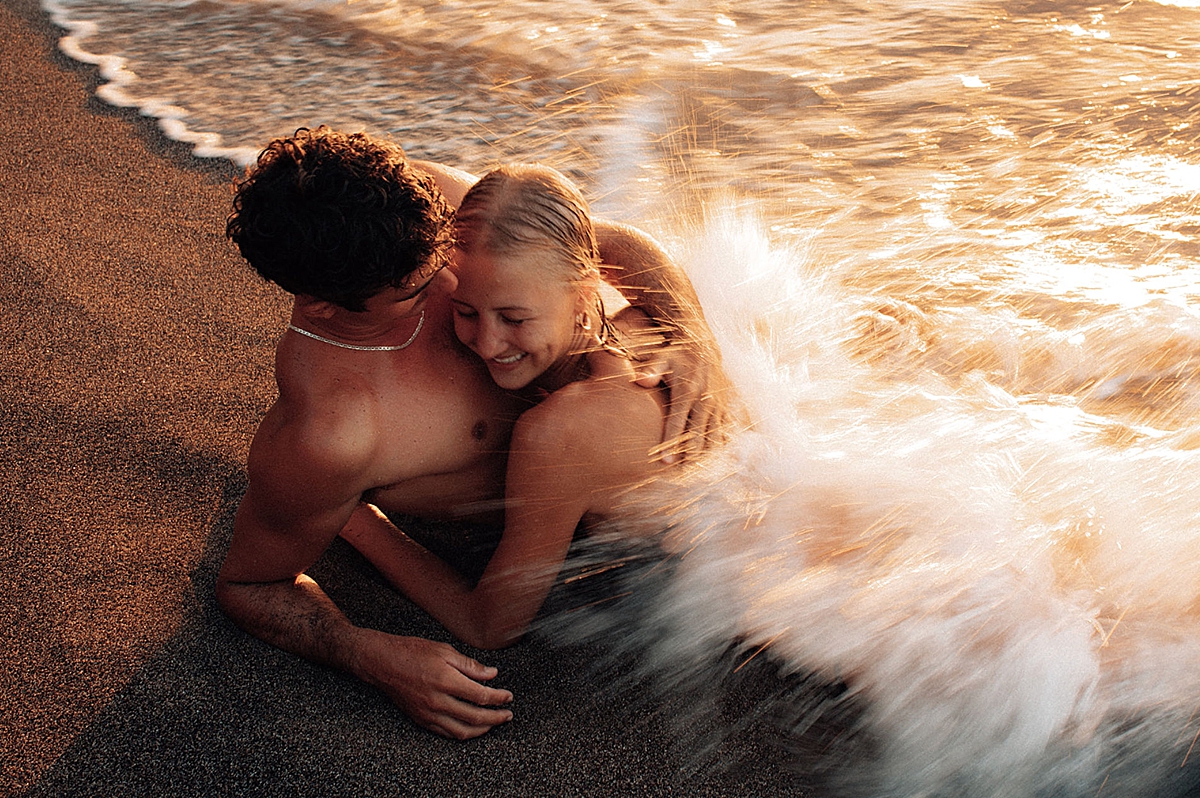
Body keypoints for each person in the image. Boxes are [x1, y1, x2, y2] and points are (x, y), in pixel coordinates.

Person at [215, 127, 722, 741]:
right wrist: (371, 654)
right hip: (579, 515)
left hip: (642, 459)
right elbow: (249, 585)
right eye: (421, 288)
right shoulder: (331, 432)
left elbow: (600, 242)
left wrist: (696, 337)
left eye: (442, 250)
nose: (452, 277)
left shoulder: (417, 212)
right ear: (324, 305)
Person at [338, 164, 726, 653]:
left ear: (585, 292)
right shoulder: (633, 318)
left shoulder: (561, 431)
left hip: (706, 584)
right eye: (466, 312)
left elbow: (490, 625)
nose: (487, 340)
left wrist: (354, 519)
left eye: (514, 318)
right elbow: (613, 240)